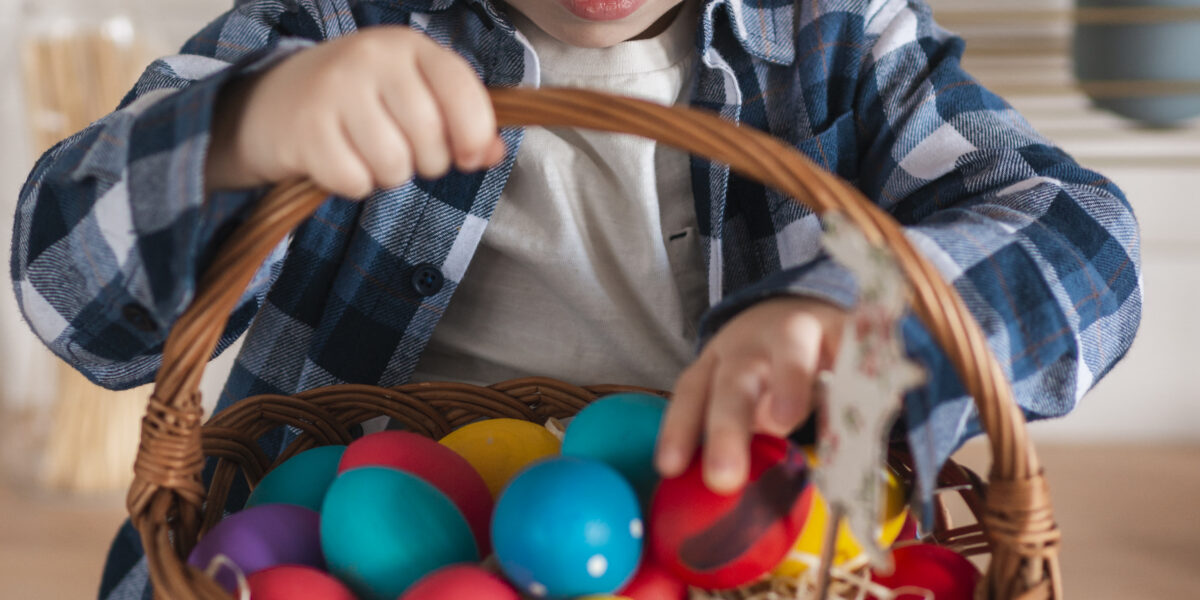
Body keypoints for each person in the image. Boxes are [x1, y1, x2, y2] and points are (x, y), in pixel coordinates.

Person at [12, 0, 1141, 597]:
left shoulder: (839, 36)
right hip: (349, 531)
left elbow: (1083, 237)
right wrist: (244, 129)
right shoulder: (337, 21)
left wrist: (842, 313)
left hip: (727, 539)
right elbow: (70, 288)